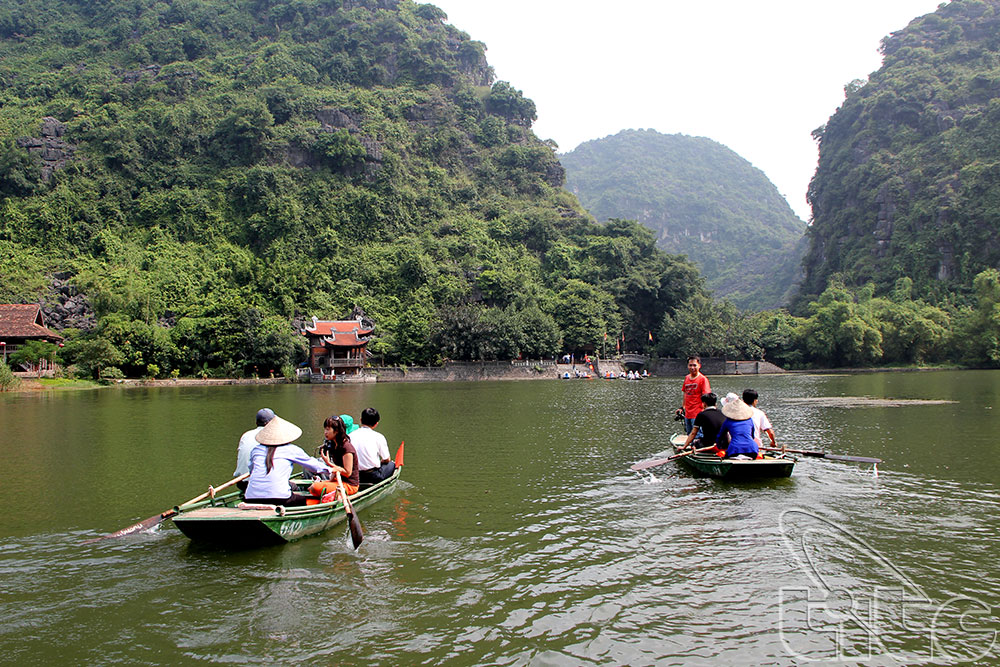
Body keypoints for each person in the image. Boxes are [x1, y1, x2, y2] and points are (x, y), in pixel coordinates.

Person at [245, 416, 331, 506]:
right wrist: (331, 470)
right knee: (307, 500)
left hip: (251, 497)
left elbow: (251, 470)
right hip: (279, 498)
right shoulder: (291, 449)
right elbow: (314, 466)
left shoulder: (256, 450)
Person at [308, 415, 360, 499]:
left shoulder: (346, 448)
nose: (325, 432)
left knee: (315, 488)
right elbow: (336, 470)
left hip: (350, 485)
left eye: (328, 429)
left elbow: (347, 473)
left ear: (336, 431)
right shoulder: (334, 445)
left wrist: (329, 463)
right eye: (325, 429)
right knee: (313, 488)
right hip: (338, 481)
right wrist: (329, 481)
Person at [352, 407, 396, 485]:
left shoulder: (349, 436)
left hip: (353, 475)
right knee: (391, 464)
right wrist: (380, 462)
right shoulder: (378, 437)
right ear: (376, 424)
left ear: (361, 420)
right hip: (372, 476)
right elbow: (386, 459)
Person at [235, 408, 275, 491]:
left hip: (241, 483)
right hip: (259, 483)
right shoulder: (272, 436)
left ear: (256, 422)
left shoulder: (246, 435)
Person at [677, 356, 711, 435]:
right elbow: (685, 393)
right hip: (688, 414)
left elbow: (706, 397)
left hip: (698, 414)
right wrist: (682, 407)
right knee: (689, 435)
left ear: (699, 366)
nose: (692, 367)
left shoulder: (703, 379)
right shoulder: (687, 378)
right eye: (690, 365)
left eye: (694, 365)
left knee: (698, 437)